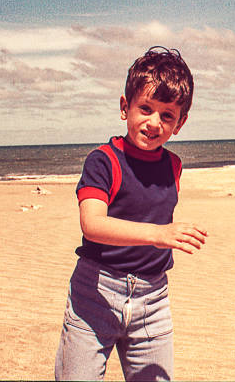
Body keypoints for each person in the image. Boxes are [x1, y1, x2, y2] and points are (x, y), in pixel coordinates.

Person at [55, 46, 208, 381]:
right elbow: (92, 224)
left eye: (167, 116)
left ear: (179, 124)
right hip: (96, 292)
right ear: (125, 108)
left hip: (152, 299)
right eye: (146, 109)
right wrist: (158, 234)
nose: (154, 123)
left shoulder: (173, 165)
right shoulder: (103, 161)